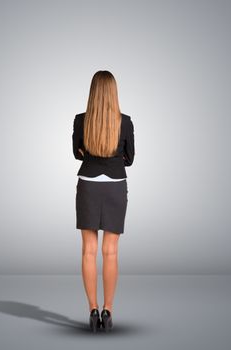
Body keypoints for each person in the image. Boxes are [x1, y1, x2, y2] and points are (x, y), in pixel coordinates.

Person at [72, 70, 135, 332]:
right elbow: (129, 158)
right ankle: (108, 312)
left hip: (88, 185)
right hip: (115, 187)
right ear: (114, 92)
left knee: (89, 250)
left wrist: (91, 152)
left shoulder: (80, 120)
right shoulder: (126, 121)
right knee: (110, 252)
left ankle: (92, 310)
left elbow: (77, 153)